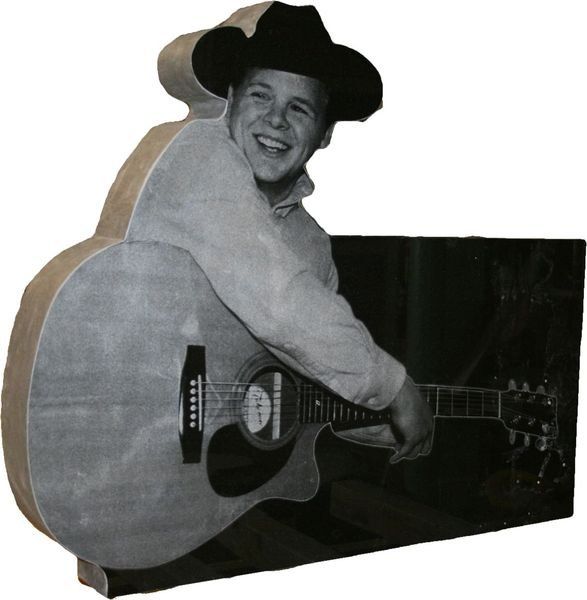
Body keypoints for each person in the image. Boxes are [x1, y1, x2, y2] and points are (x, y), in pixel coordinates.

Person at [127, 2, 433, 462]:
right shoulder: (195, 157)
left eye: (299, 108)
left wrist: (358, 417)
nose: (276, 119)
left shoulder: (312, 246)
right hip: (109, 410)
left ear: (325, 134)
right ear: (231, 102)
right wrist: (395, 389)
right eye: (260, 96)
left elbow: (300, 365)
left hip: (171, 464)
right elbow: (276, 296)